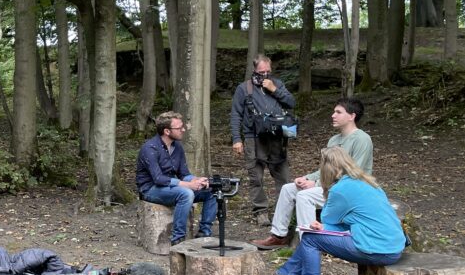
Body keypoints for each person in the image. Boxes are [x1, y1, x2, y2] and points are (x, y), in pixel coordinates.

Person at [262, 146, 405, 275]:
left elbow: (329, 220)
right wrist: (324, 227)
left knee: (310, 238)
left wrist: (322, 226)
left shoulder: (340, 189)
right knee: (313, 237)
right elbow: (348, 220)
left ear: (328, 169)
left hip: (377, 248)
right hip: (394, 247)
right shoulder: (368, 183)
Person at [252, 97, 373, 249]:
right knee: (288, 189)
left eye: (338, 112)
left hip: (351, 192)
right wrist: (307, 178)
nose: (332, 115)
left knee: (304, 196)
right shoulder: (334, 140)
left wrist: (316, 183)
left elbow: (355, 173)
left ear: (352, 116)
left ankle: (309, 244)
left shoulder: (362, 139)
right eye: (334, 112)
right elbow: (325, 169)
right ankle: (278, 236)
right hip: (331, 188)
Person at [230, 55, 296, 226]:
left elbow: (291, 103)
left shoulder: (278, 84)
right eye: (261, 72)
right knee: (256, 177)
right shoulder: (244, 88)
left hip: (276, 137)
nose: (265, 75)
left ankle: (285, 211)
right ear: (254, 70)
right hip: (253, 138)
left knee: (283, 175)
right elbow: (236, 115)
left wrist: (274, 89)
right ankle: (260, 211)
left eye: (268, 72)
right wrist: (237, 139)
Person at [136, 111, 216, 245]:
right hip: (150, 189)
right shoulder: (149, 148)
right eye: (179, 128)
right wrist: (187, 185)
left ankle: (204, 232)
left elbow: (184, 174)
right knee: (186, 193)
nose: (183, 130)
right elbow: (158, 179)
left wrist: (197, 180)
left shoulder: (177, 146)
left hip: (170, 187)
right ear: (167, 131)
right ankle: (178, 238)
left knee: (212, 190)